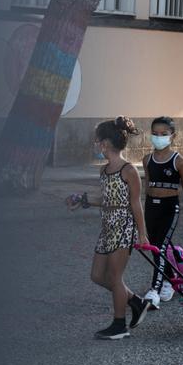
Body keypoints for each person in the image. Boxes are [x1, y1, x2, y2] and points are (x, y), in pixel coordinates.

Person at [66, 117, 151, 340]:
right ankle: (135, 301)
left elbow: (135, 203)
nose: (95, 145)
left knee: (115, 277)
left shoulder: (128, 170)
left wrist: (142, 234)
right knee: (97, 275)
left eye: (96, 141)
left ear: (105, 143)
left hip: (124, 226)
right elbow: (105, 198)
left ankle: (119, 325)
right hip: (107, 226)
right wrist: (82, 200)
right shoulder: (104, 171)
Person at [141, 117, 183, 309]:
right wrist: (140, 209)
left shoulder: (179, 162)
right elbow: (147, 185)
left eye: (163, 134)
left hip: (169, 208)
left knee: (159, 247)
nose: (159, 138)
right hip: (151, 207)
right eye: (155, 134)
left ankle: (154, 290)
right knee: (156, 244)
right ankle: (171, 279)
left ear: (173, 136)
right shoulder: (147, 160)